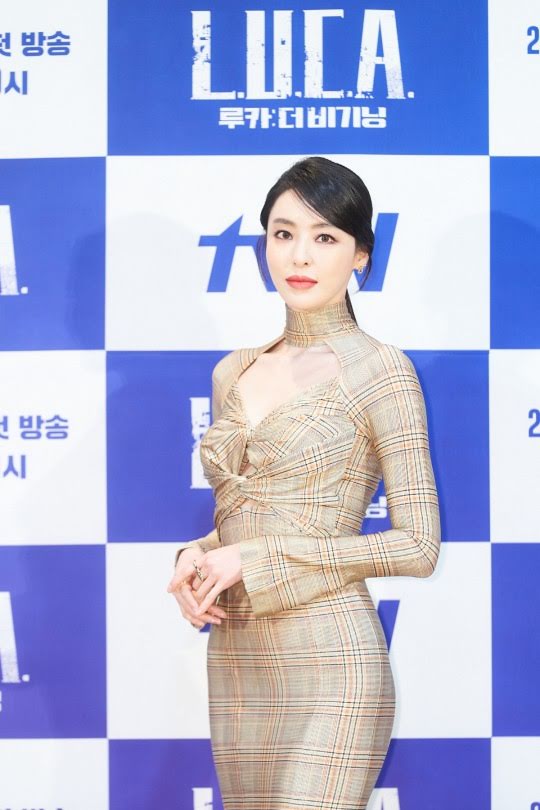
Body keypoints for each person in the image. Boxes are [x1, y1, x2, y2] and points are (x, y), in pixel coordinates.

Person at [167, 156, 441, 809]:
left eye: (325, 237)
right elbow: (250, 515)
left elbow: (419, 546)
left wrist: (256, 559)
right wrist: (197, 553)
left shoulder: (382, 370)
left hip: (332, 662)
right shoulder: (232, 372)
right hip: (239, 661)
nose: (300, 255)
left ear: (360, 256)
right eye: (283, 233)